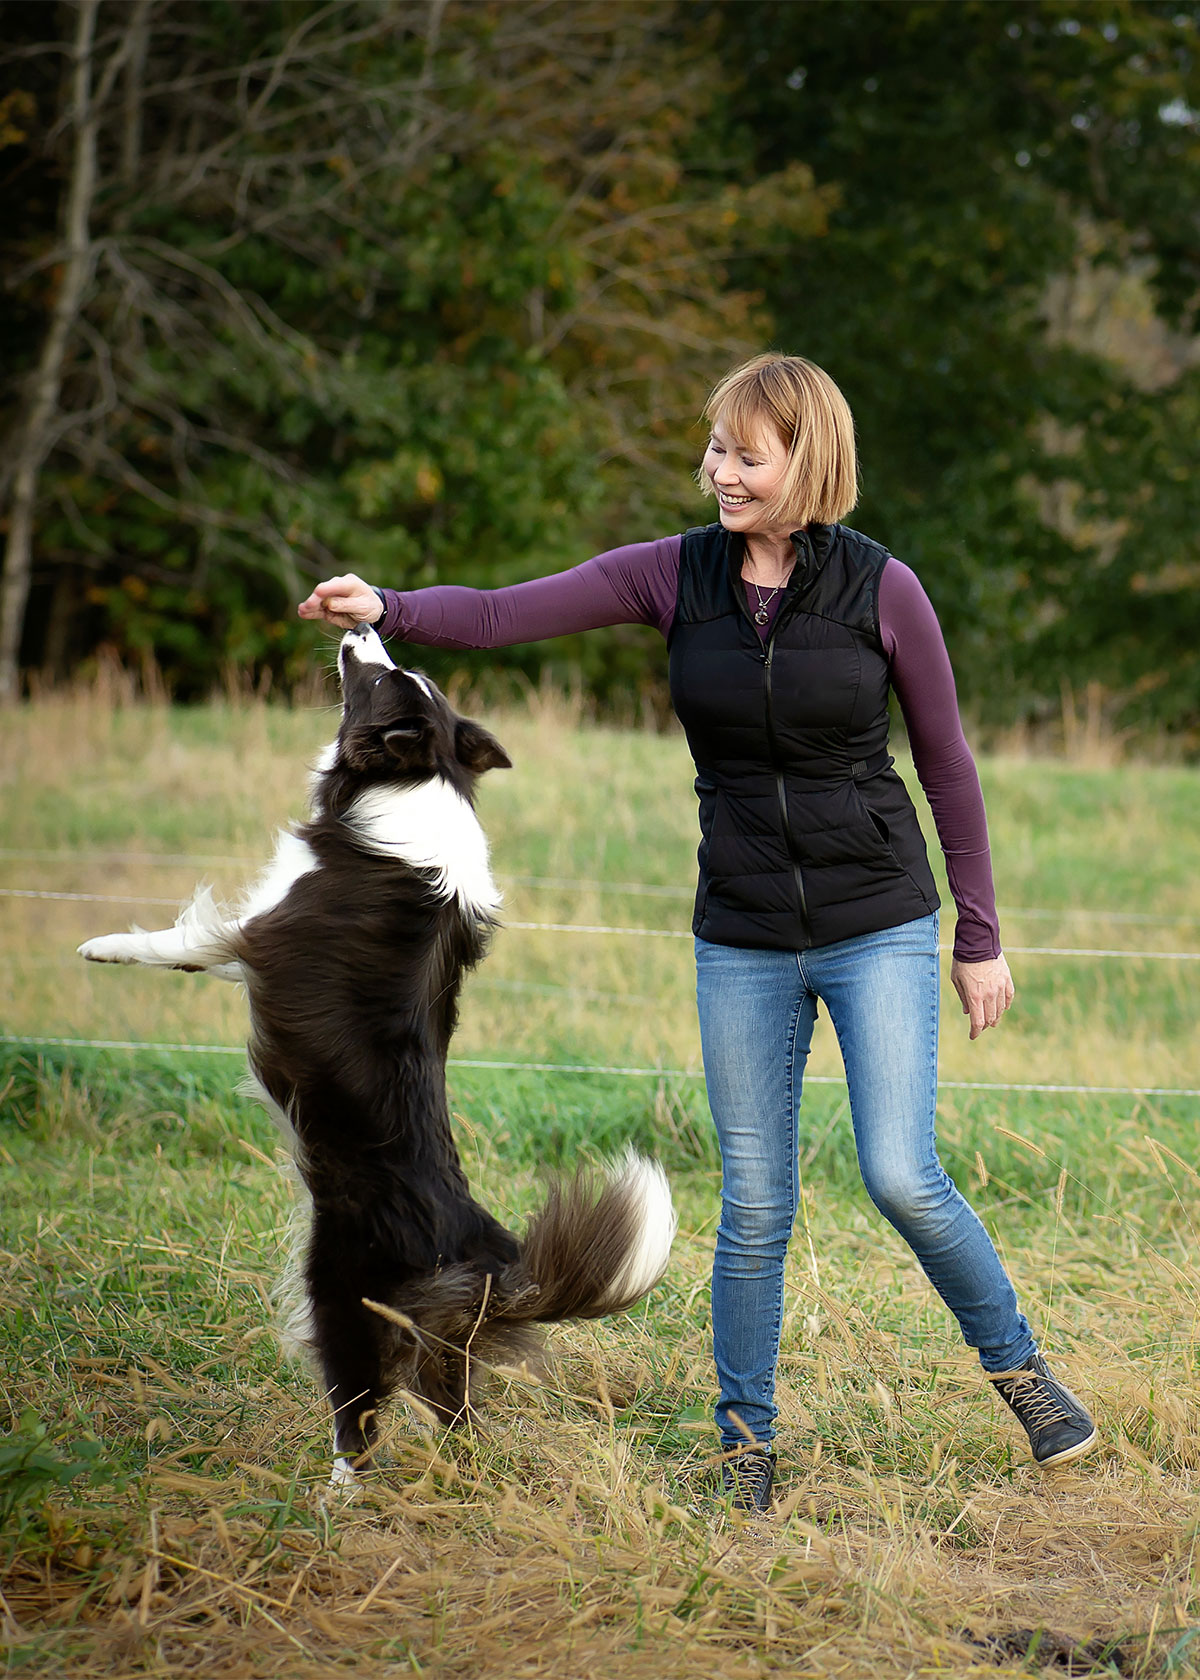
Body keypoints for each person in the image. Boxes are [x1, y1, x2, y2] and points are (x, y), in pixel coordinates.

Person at [298, 352, 1098, 1509]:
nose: (718, 470)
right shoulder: (678, 576)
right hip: (744, 932)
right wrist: (391, 609)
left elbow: (950, 766)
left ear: (804, 460)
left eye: (743, 453)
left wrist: (980, 933)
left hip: (876, 918)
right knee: (757, 1197)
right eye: (715, 449)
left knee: (901, 1175)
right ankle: (745, 1447)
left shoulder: (884, 589)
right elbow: (512, 610)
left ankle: (1021, 1373)